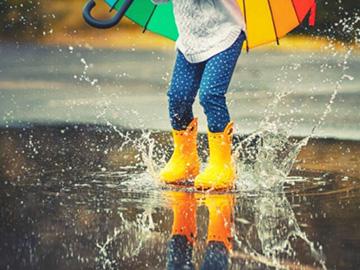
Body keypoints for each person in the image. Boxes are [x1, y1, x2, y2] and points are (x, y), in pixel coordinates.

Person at [152, 0, 246, 190]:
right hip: (190, 40)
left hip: (224, 33)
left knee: (210, 95)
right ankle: (185, 159)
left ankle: (222, 164)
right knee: (178, 97)